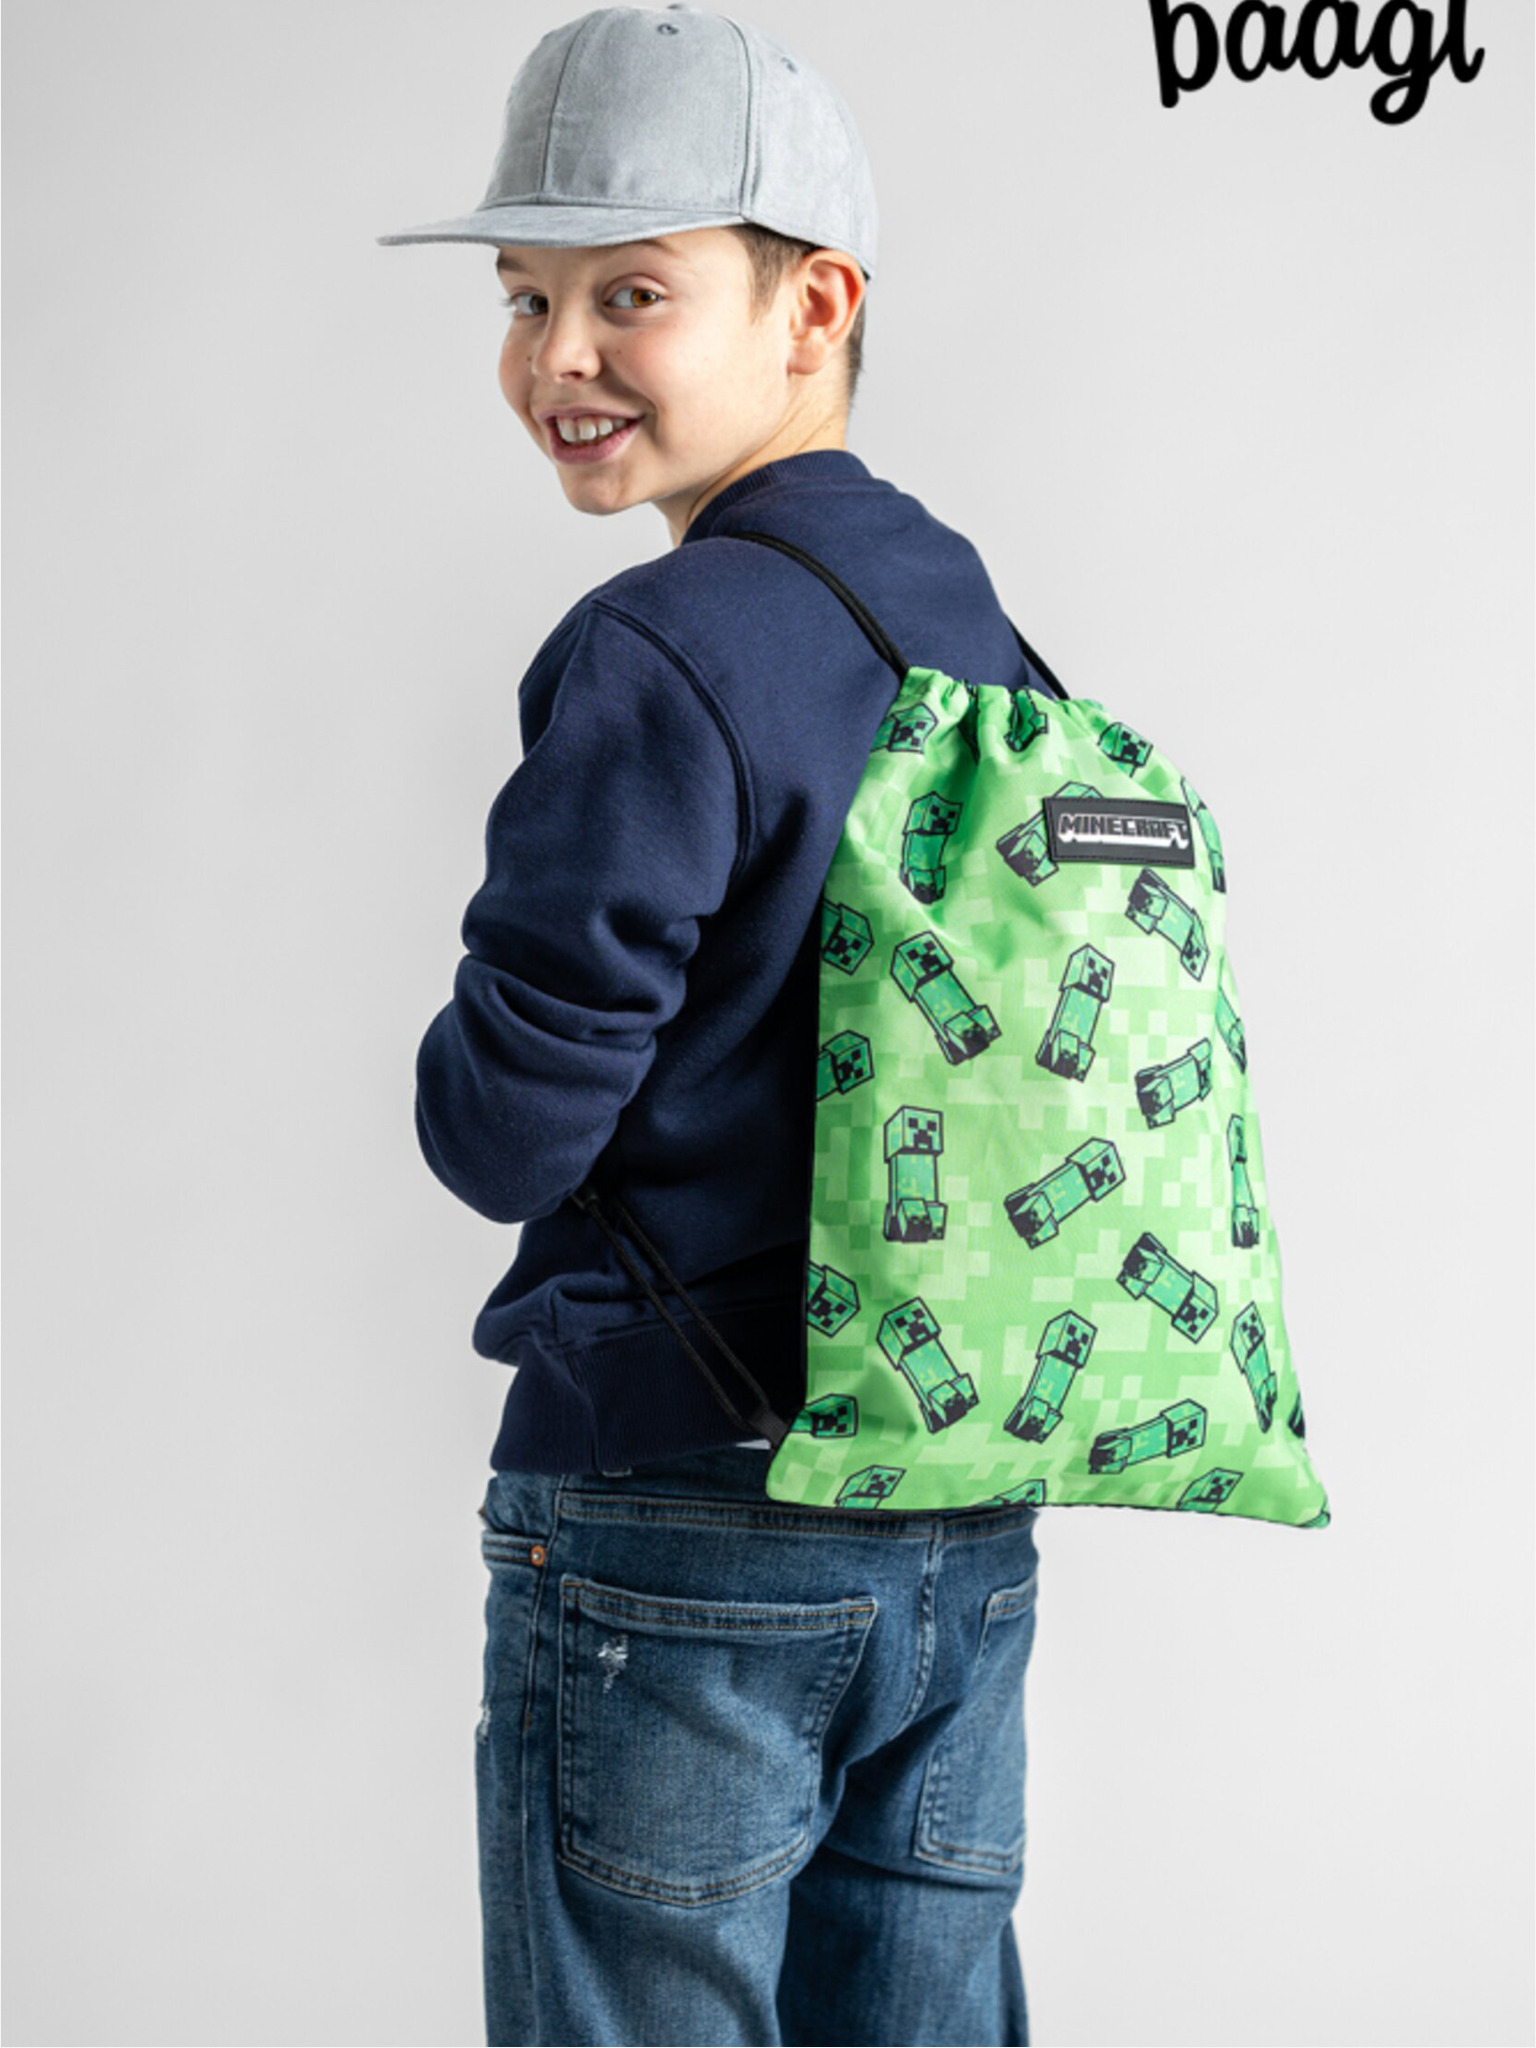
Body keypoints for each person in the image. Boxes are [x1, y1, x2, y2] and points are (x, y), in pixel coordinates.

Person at [379, 8, 1046, 2043]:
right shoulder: (976, 626)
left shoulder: (659, 649)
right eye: (526, 298)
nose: (556, 357)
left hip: (680, 1510)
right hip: (953, 1504)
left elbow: (505, 1126)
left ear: (814, 305)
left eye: (631, 294)